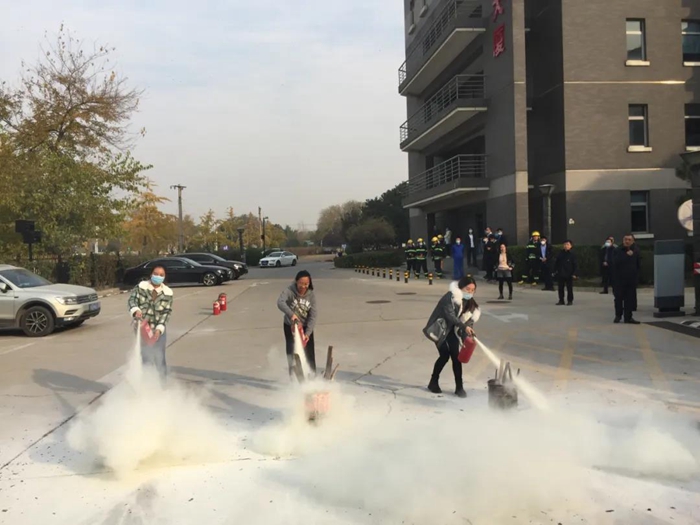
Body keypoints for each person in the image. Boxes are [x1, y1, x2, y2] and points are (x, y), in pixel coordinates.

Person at [423, 276, 481, 398]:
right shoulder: (450, 297)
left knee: (456, 357)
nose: (470, 292)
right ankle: (433, 382)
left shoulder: (472, 305)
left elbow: (468, 324)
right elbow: (450, 316)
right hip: (440, 329)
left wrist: (467, 338)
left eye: (472, 290)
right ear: (461, 287)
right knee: (444, 355)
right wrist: (464, 327)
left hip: (452, 331)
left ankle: (459, 387)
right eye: (467, 289)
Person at [128, 266, 174, 381]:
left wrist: (159, 329)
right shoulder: (141, 287)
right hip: (142, 328)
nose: (158, 276)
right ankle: (147, 385)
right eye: (156, 273)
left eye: (161, 275)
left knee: (159, 358)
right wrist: (136, 310)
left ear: (164, 277)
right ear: (151, 274)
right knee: (145, 358)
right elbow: (132, 300)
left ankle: (162, 385)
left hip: (158, 330)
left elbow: (166, 312)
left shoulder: (167, 293)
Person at [277, 270, 318, 376]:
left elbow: (313, 316)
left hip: (305, 327)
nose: (303, 286)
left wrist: (307, 333)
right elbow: (280, 302)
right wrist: (291, 315)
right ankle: (294, 378)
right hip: (290, 326)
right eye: (301, 283)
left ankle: (312, 377)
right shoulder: (289, 291)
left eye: (306, 284)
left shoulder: (311, 295)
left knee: (309, 354)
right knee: (292, 353)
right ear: (296, 281)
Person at [612, 234, 641, 324]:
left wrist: (637, 277)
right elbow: (615, 262)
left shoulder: (636, 250)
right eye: (625, 239)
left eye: (629, 240)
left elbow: (638, 264)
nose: (627, 241)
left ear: (633, 241)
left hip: (631, 279)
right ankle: (618, 315)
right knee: (618, 298)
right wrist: (626, 255)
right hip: (619, 279)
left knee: (629, 299)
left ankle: (628, 317)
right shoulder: (617, 250)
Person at [554, 240, 577, 306]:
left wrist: (574, 273)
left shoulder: (572, 254)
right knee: (560, 288)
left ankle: (570, 300)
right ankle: (561, 300)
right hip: (561, 273)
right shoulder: (560, 254)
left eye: (567, 244)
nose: (566, 246)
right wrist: (555, 271)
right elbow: (557, 263)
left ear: (571, 246)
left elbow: (575, 265)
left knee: (569, 288)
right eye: (565, 244)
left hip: (569, 274)